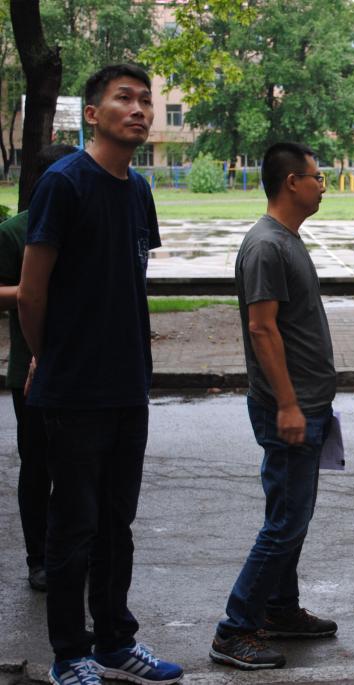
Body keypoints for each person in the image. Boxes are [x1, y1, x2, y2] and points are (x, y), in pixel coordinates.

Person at [18, 64, 183, 685]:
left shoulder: (137, 189)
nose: (139, 109)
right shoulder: (63, 183)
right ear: (92, 114)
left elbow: (127, 280)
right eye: (124, 99)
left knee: (117, 524)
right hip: (74, 388)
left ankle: (116, 641)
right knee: (74, 528)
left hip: (127, 385)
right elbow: (32, 292)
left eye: (145, 100)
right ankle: (70, 654)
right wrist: (47, 356)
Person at [209, 143, 339, 670]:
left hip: (307, 402)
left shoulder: (287, 239)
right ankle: (234, 630)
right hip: (291, 406)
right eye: (317, 177)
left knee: (289, 516)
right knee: (285, 522)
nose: (322, 186)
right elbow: (261, 329)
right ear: (291, 182)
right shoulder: (267, 245)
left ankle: (280, 609)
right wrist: (287, 404)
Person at [0, 143, 77, 593]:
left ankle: (76, 551)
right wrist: (34, 289)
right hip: (29, 368)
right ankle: (39, 557)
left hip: (84, 366)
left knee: (82, 468)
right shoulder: (14, 232)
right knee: (37, 468)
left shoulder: (87, 223)